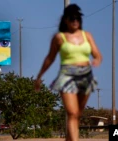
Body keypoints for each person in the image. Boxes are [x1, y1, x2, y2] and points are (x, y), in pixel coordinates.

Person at [35, 4, 102, 141]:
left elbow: (97, 54)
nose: (75, 21)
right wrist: (39, 76)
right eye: (72, 18)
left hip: (85, 75)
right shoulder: (59, 37)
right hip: (67, 75)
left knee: (78, 114)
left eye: (78, 18)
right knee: (72, 113)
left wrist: (96, 60)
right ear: (65, 20)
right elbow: (50, 58)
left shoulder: (87, 35)